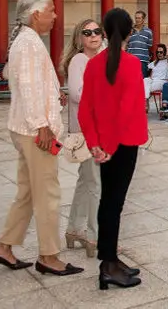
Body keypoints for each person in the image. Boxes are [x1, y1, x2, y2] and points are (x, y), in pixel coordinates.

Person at [0, 0, 83, 276]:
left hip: (25, 128)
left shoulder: (26, 41)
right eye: (51, 11)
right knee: (48, 194)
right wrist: (42, 125)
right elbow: (29, 89)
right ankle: (49, 256)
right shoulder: (28, 43)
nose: (56, 16)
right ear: (35, 14)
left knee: (28, 193)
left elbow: (35, 86)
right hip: (34, 132)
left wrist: (53, 100)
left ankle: (3, 247)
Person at [79, 8, 149, 290]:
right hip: (123, 143)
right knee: (113, 204)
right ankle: (107, 265)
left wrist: (96, 144)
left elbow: (86, 110)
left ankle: (110, 259)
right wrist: (107, 146)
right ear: (130, 32)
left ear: (105, 32)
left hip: (105, 145)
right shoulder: (132, 64)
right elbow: (127, 109)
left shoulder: (93, 64)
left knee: (109, 202)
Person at [58, 18, 104, 258]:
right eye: (87, 32)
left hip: (100, 129)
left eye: (97, 31)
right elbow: (77, 93)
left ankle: (74, 229)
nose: (93, 36)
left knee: (86, 181)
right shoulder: (79, 60)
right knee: (95, 182)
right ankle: (93, 235)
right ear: (79, 38)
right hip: (87, 131)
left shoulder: (102, 59)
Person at [126, 10, 153, 77]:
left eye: (139, 18)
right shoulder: (129, 30)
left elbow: (149, 45)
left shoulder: (148, 32)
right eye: (136, 18)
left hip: (143, 60)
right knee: (130, 79)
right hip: (131, 60)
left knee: (142, 81)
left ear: (143, 19)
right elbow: (125, 44)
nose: (137, 20)